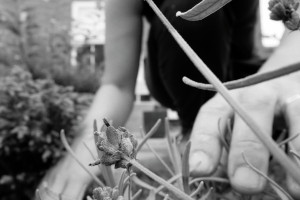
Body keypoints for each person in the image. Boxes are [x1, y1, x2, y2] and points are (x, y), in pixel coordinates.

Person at [39, 0, 300, 199]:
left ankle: (254, 131)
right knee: (183, 8)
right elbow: (116, 84)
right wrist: (85, 146)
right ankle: (197, 141)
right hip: (172, 71)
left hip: (249, 71)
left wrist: (286, 72)